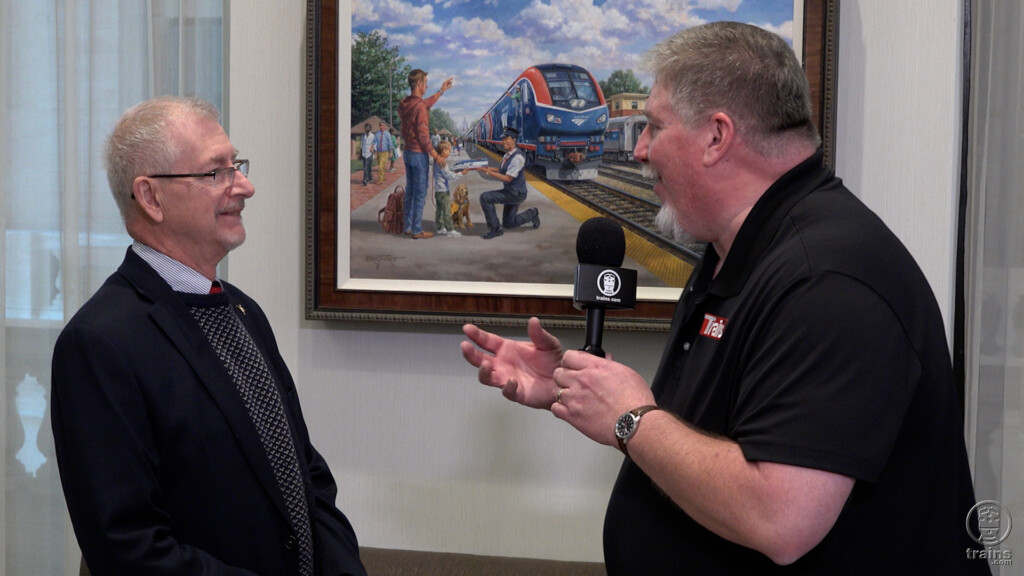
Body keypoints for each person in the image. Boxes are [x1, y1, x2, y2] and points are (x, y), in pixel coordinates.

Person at [460, 22, 989, 575]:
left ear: (717, 136)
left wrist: (630, 419)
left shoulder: (828, 280)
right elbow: (706, 439)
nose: (639, 149)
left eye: (655, 127)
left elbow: (779, 517)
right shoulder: (737, 249)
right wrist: (583, 388)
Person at [51, 96, 367, 576]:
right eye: (215, 172)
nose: (245, 186)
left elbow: (308, 478)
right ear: (151, 197)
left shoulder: (243, 310)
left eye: (235, 165)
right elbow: (129, 549)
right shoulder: (99, 343)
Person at [398, 68, 454, 239]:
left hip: (407, 153)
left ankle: (408, 226)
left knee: (411, 191)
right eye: (426, 83)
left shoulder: (406, 104)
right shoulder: (419, 107)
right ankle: (416, 230)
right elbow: (423, 137)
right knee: (421, 192)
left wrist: (441, 91)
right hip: (418, 154)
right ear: (420, 84)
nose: (427, 86)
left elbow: (425, 103)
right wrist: (436, 156)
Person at [477, 126, 540, 240]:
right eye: (503, 139)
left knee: (485, 197)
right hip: (511, 192)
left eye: (506, 139)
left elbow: (507, 178)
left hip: (516, 193)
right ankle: (532, 213)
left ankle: (495, 229)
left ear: (514, 139)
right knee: (508, 223)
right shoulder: (507, 155)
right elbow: (502, 170)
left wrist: (488, 172)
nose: (503, 142)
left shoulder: (518, 158)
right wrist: (488, 168)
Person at [432, 140, 467, 237]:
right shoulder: (442, 162)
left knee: (439, 210)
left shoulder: (437, 161)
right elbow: (449, 176)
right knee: (447, 210)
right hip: (443, 191)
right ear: (443, 151)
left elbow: (445, 173)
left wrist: (454, 171)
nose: (450, 152)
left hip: (438, 190)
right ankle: (450, 230)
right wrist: (461, 173)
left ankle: (440, 227)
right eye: (449, 150)